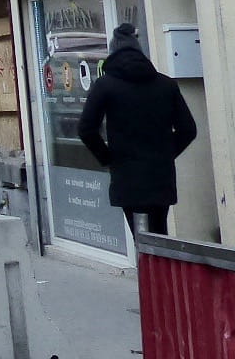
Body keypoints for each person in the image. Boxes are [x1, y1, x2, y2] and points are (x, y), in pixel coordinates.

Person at [78, 23, 198, 237]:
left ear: (113, 53)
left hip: (127, 176)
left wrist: (108, 158)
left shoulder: (105, 85)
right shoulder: (166, 84)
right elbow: (188, 130)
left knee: (140, 238)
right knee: (159, 237)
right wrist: (165, 154)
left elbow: (86, 129)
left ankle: (146, 260)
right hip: (160, 177)